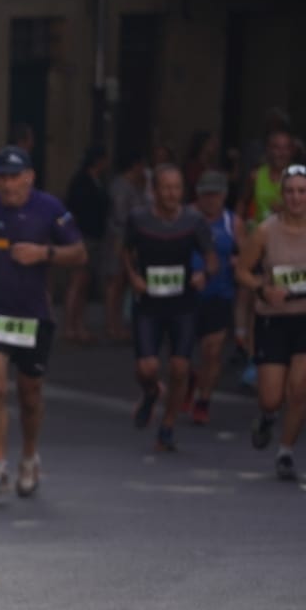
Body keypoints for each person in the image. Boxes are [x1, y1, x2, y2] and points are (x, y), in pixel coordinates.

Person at [0, 145, 86, 497]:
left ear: (29, 177)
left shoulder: (50, 209)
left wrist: (45, 253)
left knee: (30, 393)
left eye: (14, 176)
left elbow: (80, 252)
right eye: (2, 177)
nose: (8, 183)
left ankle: (29, 456)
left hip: (32, 313)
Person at [123, 164, 215, 453]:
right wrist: (133, 276)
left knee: (179, 366)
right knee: (147, 367)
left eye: (177, 188)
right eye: (166, 188)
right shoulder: (138, 219)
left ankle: (168, 426)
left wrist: (205, 275)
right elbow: (126, 250)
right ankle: (151, 392)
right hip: (149, 302)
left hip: (182, 303)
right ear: (154, 191)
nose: (172, 193)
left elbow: (212, 258)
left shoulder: (193, 220)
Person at [237, 163, 306, 482]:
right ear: (282, 195)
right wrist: (264, 289)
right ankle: (267, 416)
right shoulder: (266, 230)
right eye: (290, 191)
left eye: (302, 192)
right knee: (271, 397)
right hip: (273, 321)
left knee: (300, 389)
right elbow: (242, 270)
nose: (296, 198)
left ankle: (285, 452)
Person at [190, 170, 243, 425]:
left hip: (219, 294)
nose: (210, 200)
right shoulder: (186, 217)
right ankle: (190, 379)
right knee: (184, 355)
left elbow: (248, 256)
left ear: (224, 196)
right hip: (187, 296)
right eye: (206, 194)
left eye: (216, 194)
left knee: (212, 352)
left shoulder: (232, 223)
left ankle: (203, 401)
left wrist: (238, 262)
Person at [62, 145, 111, 342]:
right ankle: (69, 326)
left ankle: (79, 324)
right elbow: (72, 208)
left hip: (95, 235)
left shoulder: (98, 181)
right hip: (82, 235)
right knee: (77, 280)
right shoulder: (81, 182)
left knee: (85, 282)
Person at [104, 151, 151, 342]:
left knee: (122, 283)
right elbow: (120, 216)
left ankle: (117, 325)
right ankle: (111, 326)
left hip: (129, 240)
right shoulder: (121, 186)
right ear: (135, 165)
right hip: (119, 239)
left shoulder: (135, 186)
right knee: (114, 283)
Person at [237, 126, 297, 230]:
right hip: (258, 238)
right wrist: (238, 232)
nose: (281, 153)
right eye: (276, 148)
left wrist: (286, 210)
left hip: (289, 237)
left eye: (286, 148)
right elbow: (242, 203)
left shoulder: (300, 178)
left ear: (291, 151)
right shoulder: (256, 176)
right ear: (268, 149)